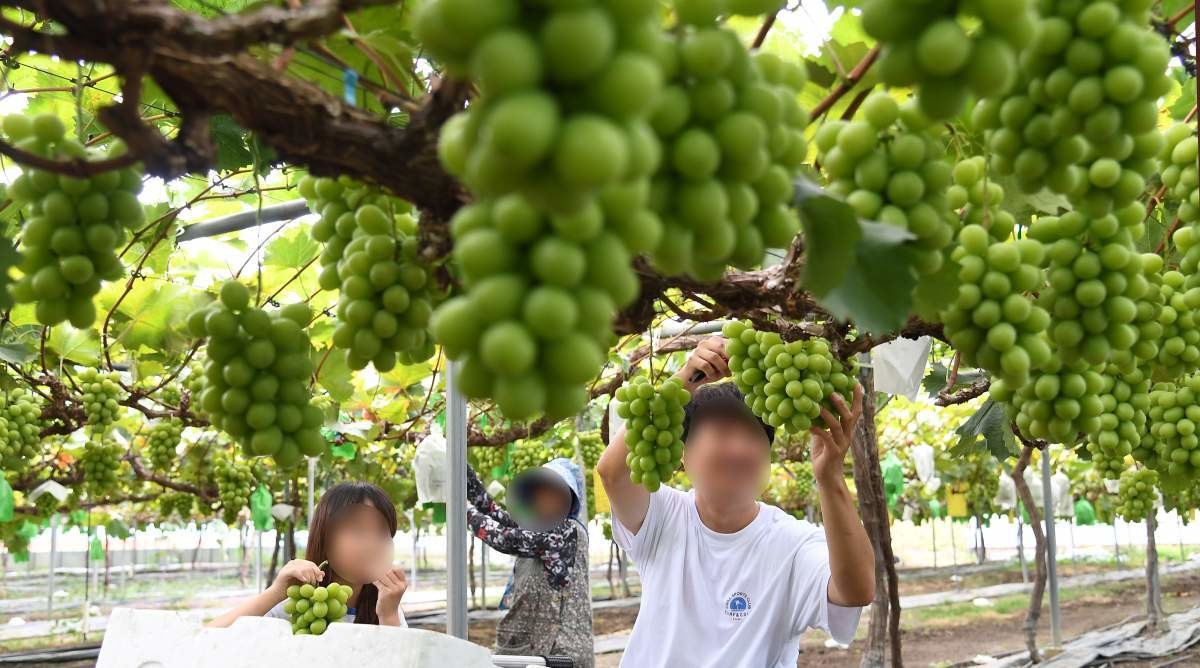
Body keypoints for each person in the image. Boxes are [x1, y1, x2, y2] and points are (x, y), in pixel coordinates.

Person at [597, 336, 876, 667]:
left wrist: (830, 479)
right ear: (683, 454)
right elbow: (613, 473)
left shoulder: (793, 542)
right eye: (723, 433)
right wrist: (687, 377)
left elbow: (856, 590)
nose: (739, 450)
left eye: (752, 436)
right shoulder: (663, 517)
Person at [210, 481, 409, 629]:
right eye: (357, 530)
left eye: (382, 532)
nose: (372, 544)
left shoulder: (386, 608)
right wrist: (275, 592)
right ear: (324, 538)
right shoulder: (297, 606)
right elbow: (208, 639)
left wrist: (389, 615)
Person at [466, 456, 593, 667]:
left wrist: (462, 509)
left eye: (554, 493)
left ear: (569, 500)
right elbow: (494, 513)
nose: (545, 499)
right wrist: (462, 472)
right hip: (535, 651)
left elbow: (505, 539)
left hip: (560, 655)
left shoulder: (568, 531)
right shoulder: (538, 527)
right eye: (541, 492)